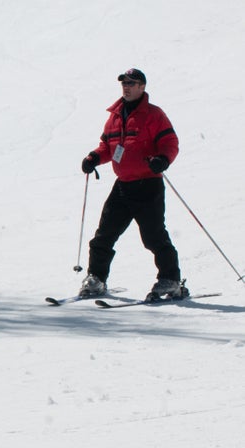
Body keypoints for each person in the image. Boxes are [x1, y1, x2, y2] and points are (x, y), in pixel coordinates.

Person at [79, 68, 186, 300]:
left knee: (153, 236)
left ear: (142, 87)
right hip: (123, 185)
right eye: (124, 83)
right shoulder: (115, 116)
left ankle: (170, 280)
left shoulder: (154, 115)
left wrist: (163, 160)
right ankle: (96, 279)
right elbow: (107, 147)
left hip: (148, 185)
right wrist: (94, 158)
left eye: (132, 83)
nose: (126, 87)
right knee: (104, 235)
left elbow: (170, 142)